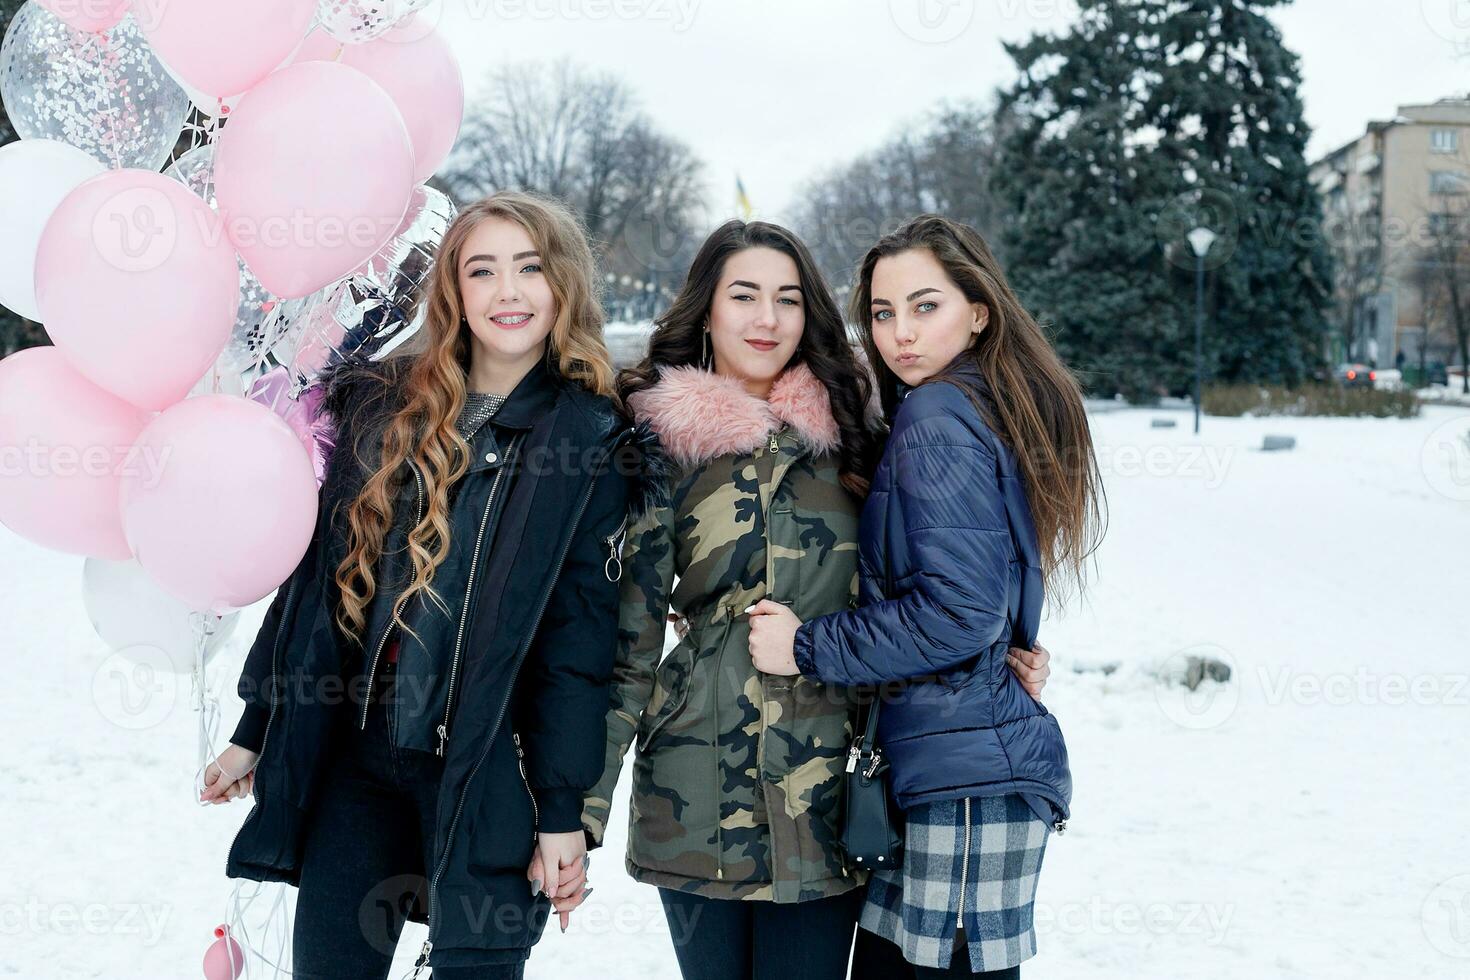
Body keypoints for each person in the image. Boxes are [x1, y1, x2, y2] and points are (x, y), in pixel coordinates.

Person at [578, 218, 1054, 980]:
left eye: (788, 299)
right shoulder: (655, 443)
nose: (767, 318)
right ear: (707, 309)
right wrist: (582, 810)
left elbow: (941, 571)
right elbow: (626, 642)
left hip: (828, 793)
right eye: (744, 295)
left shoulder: (866, 428)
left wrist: (1000, 651)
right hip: (693, 794)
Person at [201, 191, 642, 979]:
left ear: (563, 283)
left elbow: (578, 644)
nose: (508, 293)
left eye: (530, 268)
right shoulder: (384, 405)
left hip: (486, 772)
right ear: (454, 290)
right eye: (483, 271)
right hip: (360, 762)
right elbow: (314, 586)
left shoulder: (589, 437)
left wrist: (562, 810)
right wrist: (256, 723)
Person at [749, 215, 1104, 979]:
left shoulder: (939, 415)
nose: (899, 333)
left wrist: (806, 644)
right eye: (882, 312)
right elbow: (983, 592)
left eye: (925, 306)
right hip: (960, 767)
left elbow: (957, 612)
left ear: (978, 312)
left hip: (966, 782)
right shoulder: (974, 403)